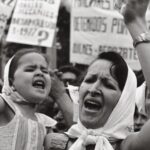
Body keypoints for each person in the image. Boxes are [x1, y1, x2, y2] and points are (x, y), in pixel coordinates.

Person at [45, 0, 150, 149]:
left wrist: (135, 23)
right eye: (89, 79)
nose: (93, 89)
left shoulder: (132, 146)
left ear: (124, 102)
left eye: (108, 84)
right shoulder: (53, 142)